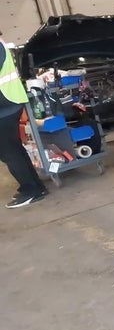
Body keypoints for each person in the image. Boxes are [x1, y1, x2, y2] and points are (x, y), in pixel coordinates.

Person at [0, 32, 48, 208]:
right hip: (8, 103)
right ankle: (35, 187)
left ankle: (31, 190)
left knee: (8, 152)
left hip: (5, 106)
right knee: (14, 149)